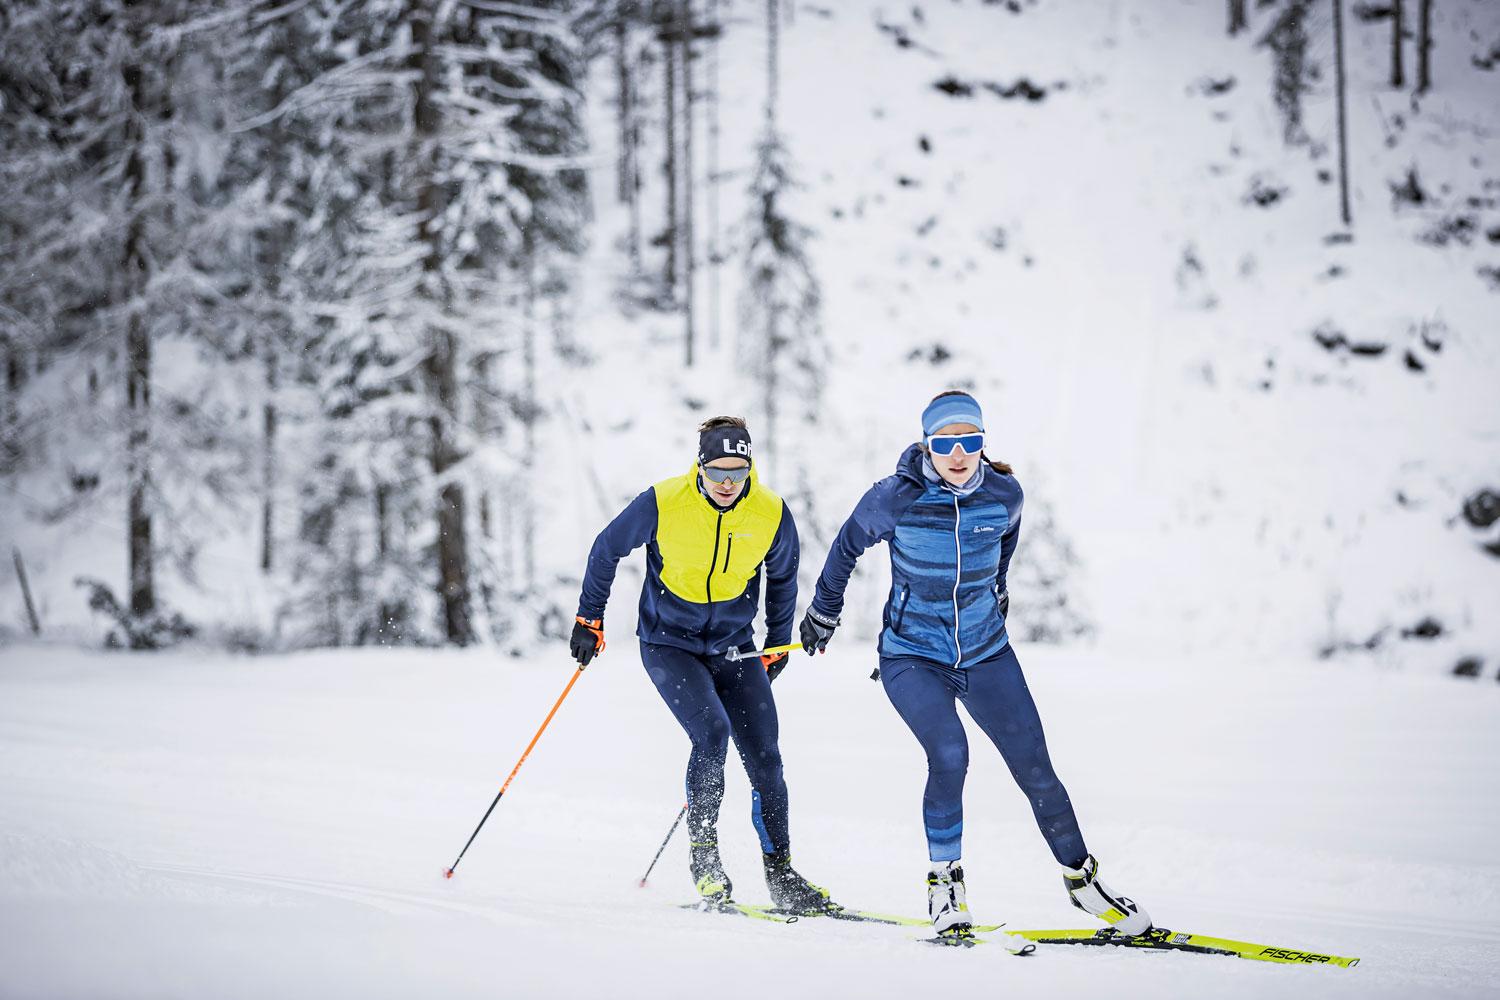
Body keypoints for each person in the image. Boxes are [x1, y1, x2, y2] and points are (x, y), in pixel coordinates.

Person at [797, 390, 1150, 938]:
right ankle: (945, 886)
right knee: (950, 754)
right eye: (944, 443)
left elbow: (1004, 546)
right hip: (912, 656)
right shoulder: (895, 498)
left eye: (970, 441)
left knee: (1036, 769)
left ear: (984, 443)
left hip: (987, 653)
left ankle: (1084, 884)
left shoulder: (1005, 494)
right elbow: (846, 546)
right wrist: (824, 609)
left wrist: (998, 589)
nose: (958, 454)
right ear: (926, 445)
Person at [570, 416, 836, 913]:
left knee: (765, 755)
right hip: (668, 643)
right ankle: (705, 857)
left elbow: (782, 578)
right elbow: (606, 549)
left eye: (738, 472)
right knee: (712, 733)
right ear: (700, 467)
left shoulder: (770, 512)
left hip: (735, 647)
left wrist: (777, 643)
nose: (727, 484)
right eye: (717, 472)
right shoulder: (665, 501)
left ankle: (781, 874)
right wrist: (590, 618)